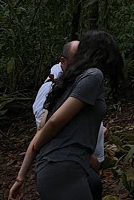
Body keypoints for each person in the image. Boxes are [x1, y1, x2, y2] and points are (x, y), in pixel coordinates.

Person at [9, 30, 124, 200]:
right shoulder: (93, 75)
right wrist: (36, 146)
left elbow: (42, 129)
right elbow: (54, 122)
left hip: (51, 168)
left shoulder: (65, 83)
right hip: (64, 168)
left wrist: (20, 177)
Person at [32, 40, 106, 170]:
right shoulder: (52, 86)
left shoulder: (84, 80)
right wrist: (87, 155)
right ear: (63, 61)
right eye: (77, 58)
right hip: (70, 158)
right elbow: (44, 124)